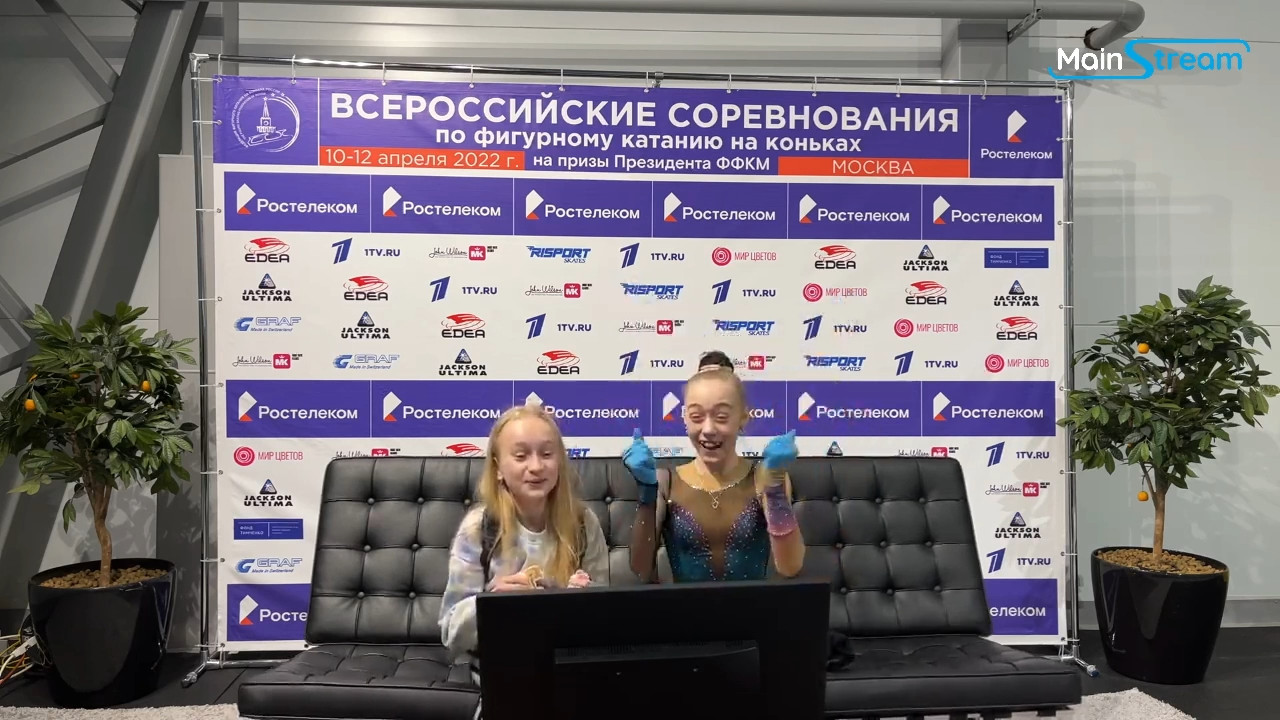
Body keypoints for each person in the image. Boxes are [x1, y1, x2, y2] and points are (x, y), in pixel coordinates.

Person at [439, 403, 610, 667]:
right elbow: (450, 633)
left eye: (547, 454)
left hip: (567, 667)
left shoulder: (584, 523)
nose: (536, 466)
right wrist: (491, 605)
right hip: (500, 669)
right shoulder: (478, 528)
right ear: (498, 468)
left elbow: (604, 618)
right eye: (521, 456)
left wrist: (582, 600)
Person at [624, 367, 804, 583]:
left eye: (721, 417)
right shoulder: (666, 482)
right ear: (684, 418)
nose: (708, 429)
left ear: (743, 417)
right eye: (697, 417)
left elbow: (790, 567)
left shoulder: (763, 478)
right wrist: (646, 494)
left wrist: (774, 489)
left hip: (753, 605)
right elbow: (641, 571)